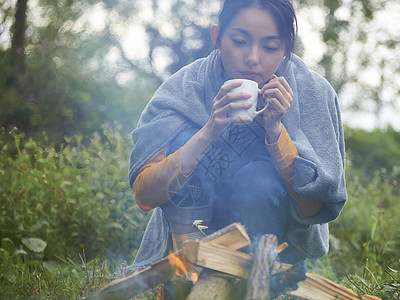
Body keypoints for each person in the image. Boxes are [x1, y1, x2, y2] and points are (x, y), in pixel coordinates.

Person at [128, 0, 347, 280]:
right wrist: (208, 131)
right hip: (190, 251)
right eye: (240, 41)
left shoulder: (313, 93)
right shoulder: (184, 90)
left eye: (269, 47)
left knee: (259, 178)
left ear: (286, 49)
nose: (253, 58)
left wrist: (276, 130)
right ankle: (189, 276)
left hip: (279, 254)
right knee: (186, 147)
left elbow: (315, 207)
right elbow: (145, 195)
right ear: (217, 37)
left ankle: (267, 280)